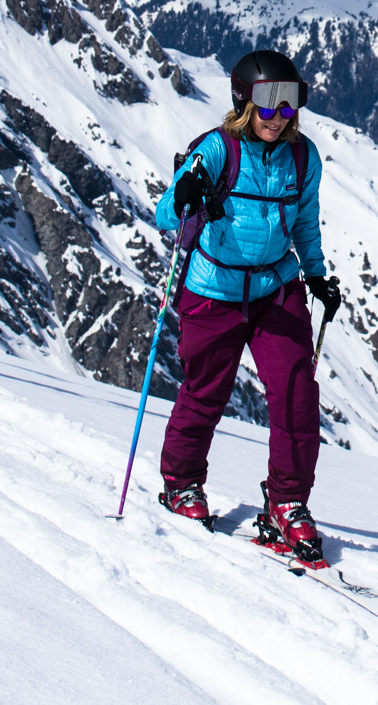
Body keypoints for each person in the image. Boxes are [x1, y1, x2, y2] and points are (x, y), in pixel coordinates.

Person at [153, 49, 341, 563]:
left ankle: (287, 504)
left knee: (297, 395)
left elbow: (304, 223)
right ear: (243, 101)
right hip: (213, 291)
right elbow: (164, 215)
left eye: (289, 104)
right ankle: (182, 483)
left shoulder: (303, 158)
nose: (278, 117)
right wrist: (186, 191)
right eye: (267, 103)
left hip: (275, 291)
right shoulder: (216, 151)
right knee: (205, 392)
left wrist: (318, 275)